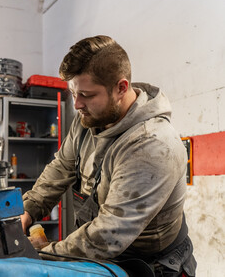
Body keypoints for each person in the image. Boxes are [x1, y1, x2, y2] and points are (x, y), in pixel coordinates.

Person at [20, 35, 196, 276]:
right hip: (102, 256)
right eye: (73, 93)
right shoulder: (88, 119)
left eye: (86, 95)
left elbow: (109, 234)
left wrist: (44, 254)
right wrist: (28, 210)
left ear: (121, 88)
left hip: (150, 265)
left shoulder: (152, 145)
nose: (77, 104)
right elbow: (61, 167)